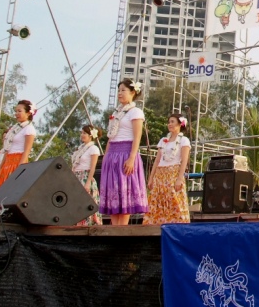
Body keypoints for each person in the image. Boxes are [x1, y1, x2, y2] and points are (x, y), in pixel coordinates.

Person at [100, 78, 148, 225]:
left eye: (123, 90)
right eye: (119, 90)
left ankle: (123, 229)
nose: (120, 93)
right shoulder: (116, 113)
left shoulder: (135, 112)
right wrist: (105, 157)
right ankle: (115, 228)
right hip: (112, 153)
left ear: (133, 92)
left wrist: (132, 158)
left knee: (124, 190)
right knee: (113, 191)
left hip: (126, 153)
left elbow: (137, 136)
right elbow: (110, 136)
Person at [0, 100, 36, 220]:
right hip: (8, 161)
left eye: (19, 111)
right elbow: (7, 149)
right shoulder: (15, 128)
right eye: (16, 111)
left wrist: (21, 167)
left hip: (17, 160)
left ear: (28, 113)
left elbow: (26, 151)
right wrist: (0, 166)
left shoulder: (29, 129)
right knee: (0, 189)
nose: (17, 114)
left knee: (10, 191)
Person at [144, 113, 191, 224]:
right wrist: (151, 178)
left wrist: (179, 179)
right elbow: (157, 160)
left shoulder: (184, 140)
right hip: (160, 174)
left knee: (174, 199)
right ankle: (156, 225)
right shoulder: (163, 140)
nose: (170, 124)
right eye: (169, 122)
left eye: (172, 122)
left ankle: (176, 225)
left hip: (173, 173)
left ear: (180, 124)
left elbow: (184, 161)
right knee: (157, 199)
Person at [70, 124, 103, 226]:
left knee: (86, 203)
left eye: (84, 133)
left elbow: (92, 167)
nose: (82, 135)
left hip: (85, 176)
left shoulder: (93, 149)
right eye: (81, 133)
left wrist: (88, 182)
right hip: (76, 176)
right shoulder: (80, 148)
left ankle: (88, 224)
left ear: (91, 135)